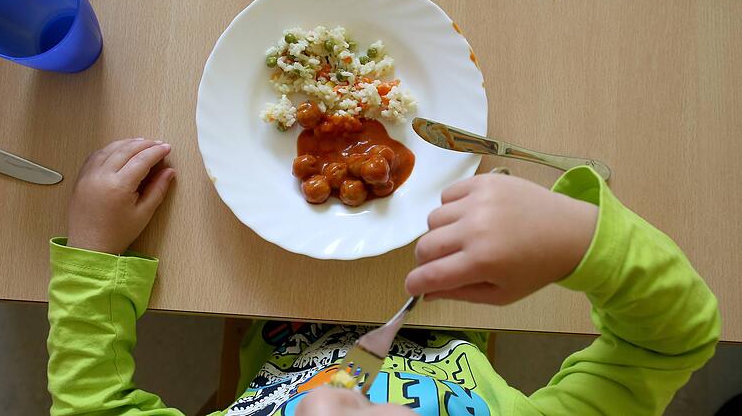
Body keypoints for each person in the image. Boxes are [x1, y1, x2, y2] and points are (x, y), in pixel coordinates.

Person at [47, 139, 720, 416]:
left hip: (274, 300)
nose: (324, 398)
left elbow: (90, 403)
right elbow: (670, 342)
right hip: (456, 295)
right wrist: (577, 240)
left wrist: (94, 251)